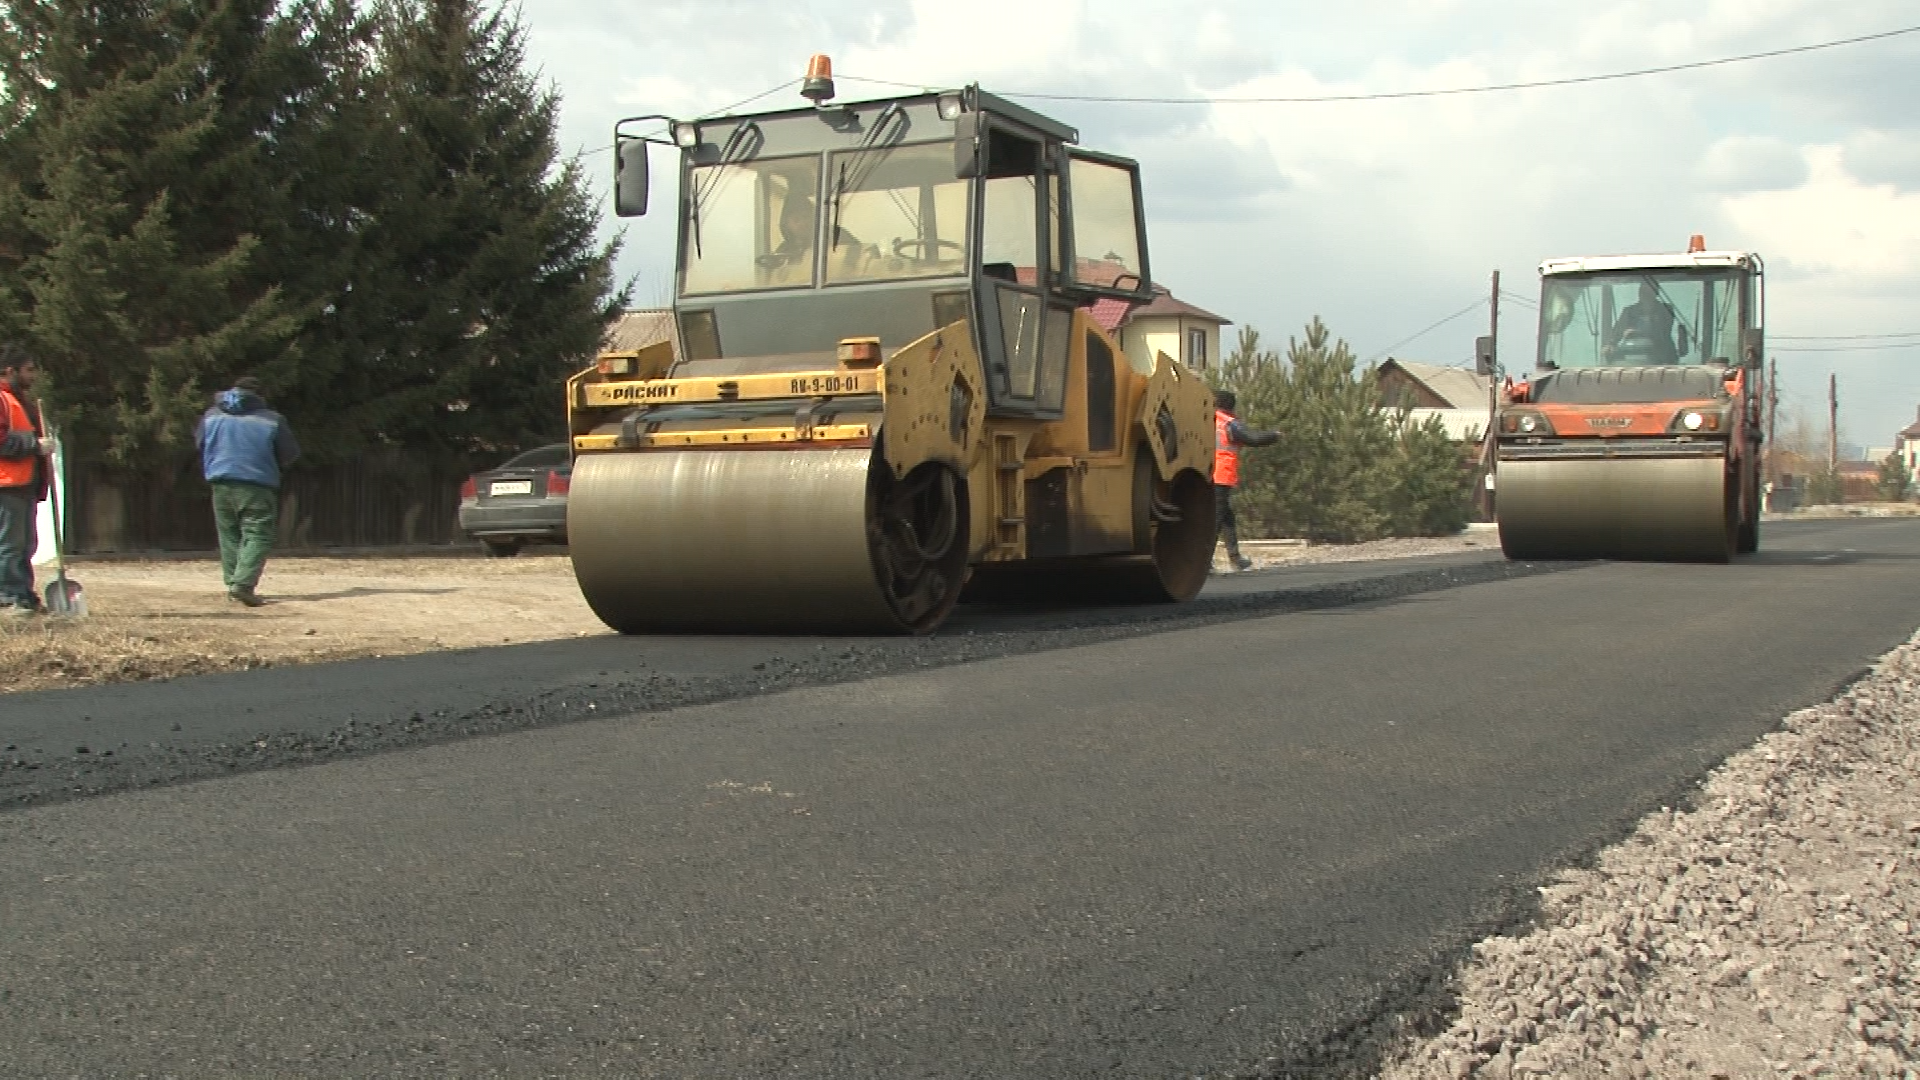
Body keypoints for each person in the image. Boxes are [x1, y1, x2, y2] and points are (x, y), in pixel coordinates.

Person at [195, 376, 299, 606]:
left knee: (229, 534)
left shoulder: (211, 416)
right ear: (260, 395)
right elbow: (289, 453)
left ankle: (233, 583)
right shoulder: (272, 420)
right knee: (258, 533)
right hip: (257, 483)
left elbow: (200, 444)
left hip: (220, 481)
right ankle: (242, 585)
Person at [0, 344, 52, 614]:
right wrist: (34, 444)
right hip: (6, 484)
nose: (34, 376)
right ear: (11, 371)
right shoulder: (2, 400)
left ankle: (23, 595)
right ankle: (8, 597)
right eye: (29, 370)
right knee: (9, 545)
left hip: (25, 483)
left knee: (26, 545)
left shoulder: (22, 402)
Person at [1213, 388, 1278, 572]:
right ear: (1230, 406)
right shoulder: (1228, 423)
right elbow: (1253, 438)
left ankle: (1235, 558)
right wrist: (1274, 435)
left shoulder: (1205, 419)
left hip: (1205, 474)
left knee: (1226, 517)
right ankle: (1205, 562)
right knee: (1216, 519)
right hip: (1220, 475)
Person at [1607, 281, 1678, 364]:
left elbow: (1662, 331)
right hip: (1633, 358)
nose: (1645, 294)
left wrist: (1636, 332)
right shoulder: (1629, 311)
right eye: (1642, 291)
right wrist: (1611, 344)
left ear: (1656, 292)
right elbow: (1618, 331)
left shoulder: (1666, 310)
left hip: (1663, 360)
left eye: (1649, 291)